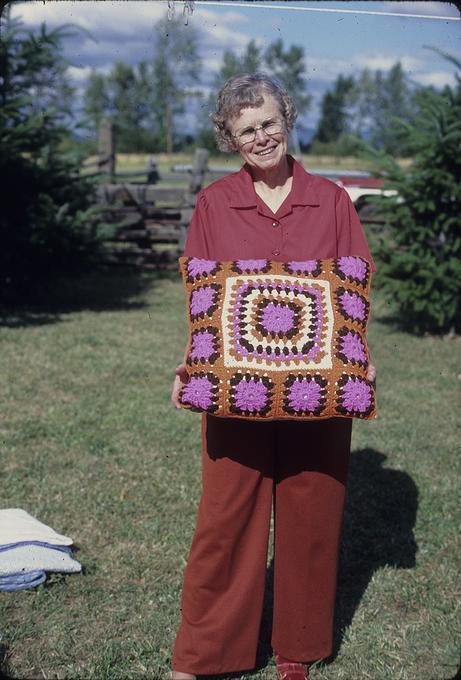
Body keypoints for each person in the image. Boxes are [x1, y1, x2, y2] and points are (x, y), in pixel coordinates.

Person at [170, 73, 376, 680]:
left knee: (313, 513)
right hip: (237, 388)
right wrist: (192, 360)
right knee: (224, 518)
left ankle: (298, 649)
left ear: (286, 117)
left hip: (320, 386)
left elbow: (354, 288)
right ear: (230, 140)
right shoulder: (214, 202)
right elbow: (205, 297)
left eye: (268, 123)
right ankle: (206, 654)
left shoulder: (333, 200)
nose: (261, 138)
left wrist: (357, 357)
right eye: (245, 131)